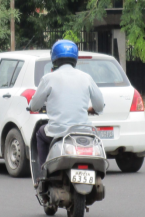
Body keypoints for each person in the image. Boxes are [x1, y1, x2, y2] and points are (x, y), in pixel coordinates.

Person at [29, 40, 105, 170]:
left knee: (40, 134)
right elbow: (100, 106)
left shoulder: (48, 78)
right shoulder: (86, 77)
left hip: (57, 132)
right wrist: (91, 109)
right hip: (83, 132)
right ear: (75, 58)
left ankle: (43, 173)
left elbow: (34, 105)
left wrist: (31, 107)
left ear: (54, 58)